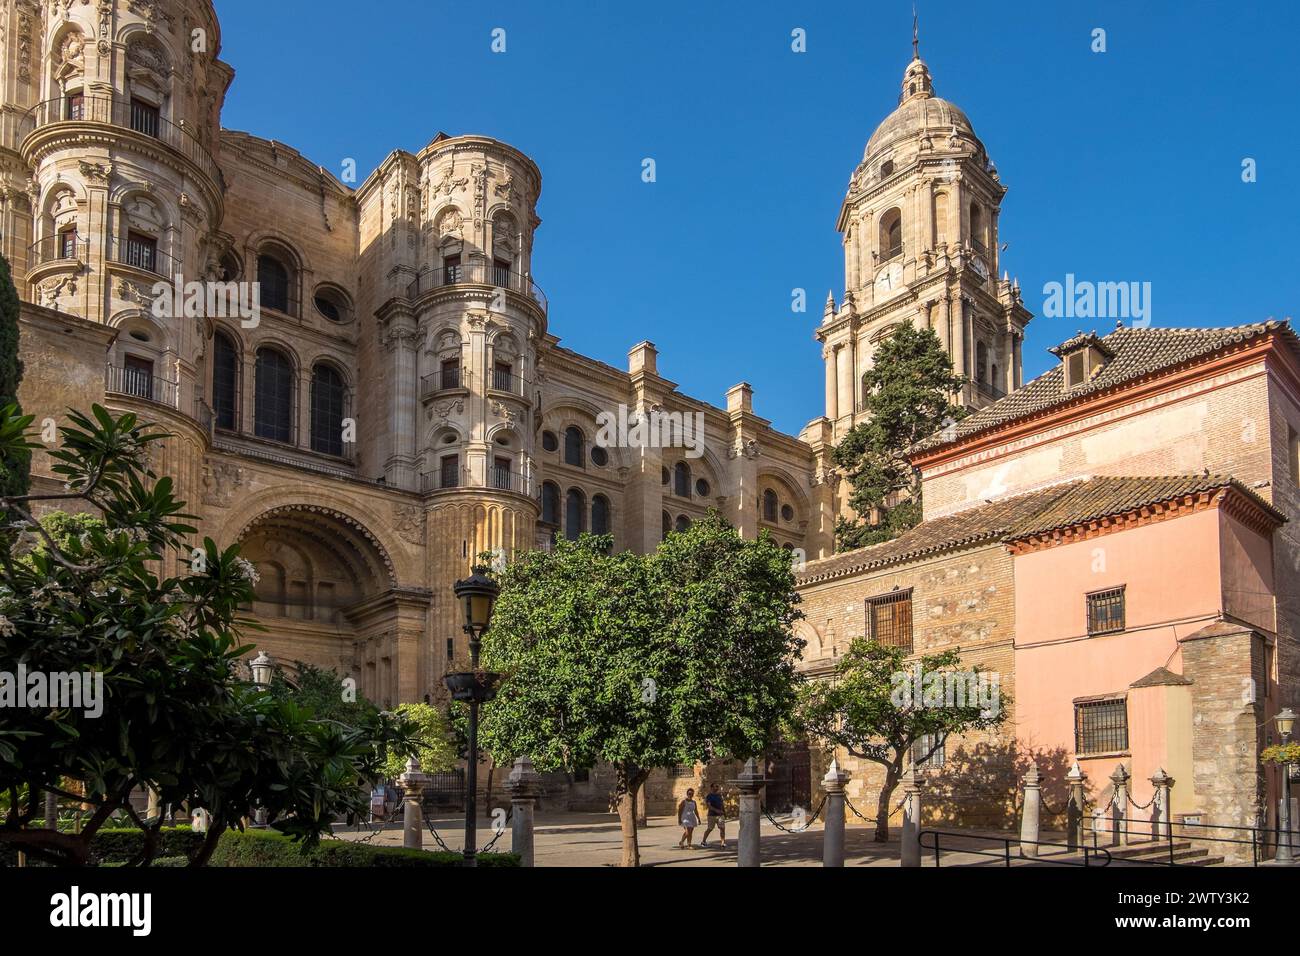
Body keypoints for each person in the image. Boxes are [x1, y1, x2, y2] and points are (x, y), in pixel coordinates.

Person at [700, 783, 727, 848]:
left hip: (720, 815)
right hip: (711, 815)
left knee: (722, 828)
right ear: (711, 788)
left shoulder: (719, 795)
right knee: (710, 828)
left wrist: (724, 813)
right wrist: (716, 810)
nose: (717, 788)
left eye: (717, 786)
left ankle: (722, 843)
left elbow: (722, 804)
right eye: (716, 786)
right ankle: (703, 841)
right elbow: (709, 806)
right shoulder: (709, 796)